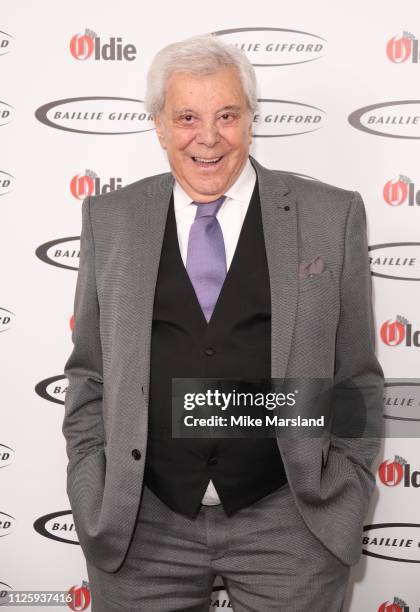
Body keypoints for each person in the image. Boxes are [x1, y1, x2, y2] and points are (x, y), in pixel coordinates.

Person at [62, 33, 384, 611]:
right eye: (186, 117)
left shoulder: (331, 216)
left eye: (226, 115)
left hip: (291, 526)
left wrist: (346, 488)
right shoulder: (110, 219)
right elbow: (89, 374)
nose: (207, 138)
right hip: (142, 529)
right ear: (159, 125)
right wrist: (93, 489)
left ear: (250, 119)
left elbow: (356, 376)